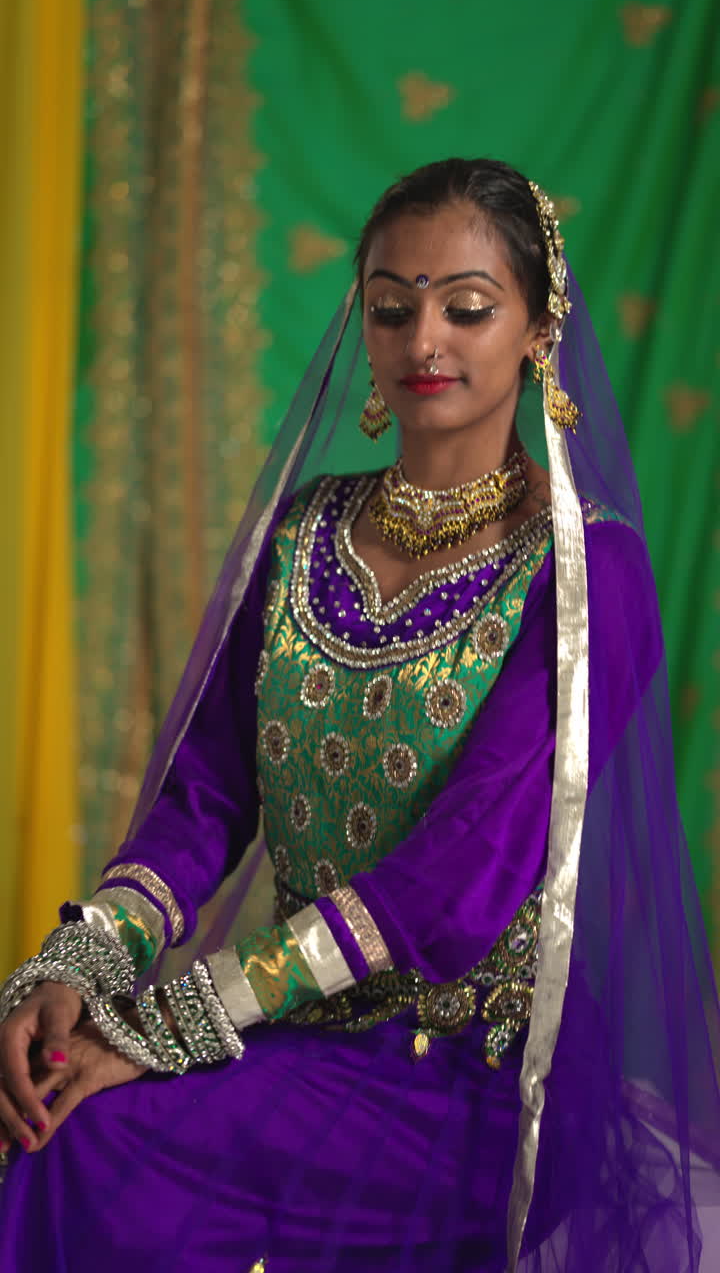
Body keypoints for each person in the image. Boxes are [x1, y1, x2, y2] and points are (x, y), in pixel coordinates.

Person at [0, 158, 718, 1272]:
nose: (426, 337)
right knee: (44, 1115)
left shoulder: (585, 574)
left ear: (539, 328)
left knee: (94, 1141)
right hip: (292, 1034)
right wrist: (85, 961)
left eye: (467, 307)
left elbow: (457, 880)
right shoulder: (302, 538)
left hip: (474, 1075)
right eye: (393, 307)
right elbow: (207, 797)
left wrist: (169, 1021)